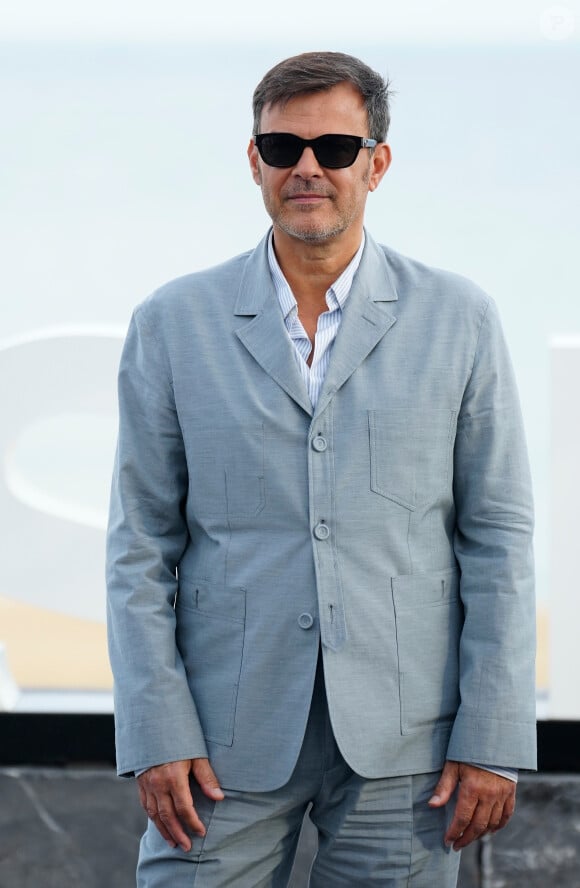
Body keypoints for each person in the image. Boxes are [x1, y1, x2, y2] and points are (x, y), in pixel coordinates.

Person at [106, 51, 536, 887]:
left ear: (376, 163)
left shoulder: (461, 319)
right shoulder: (172, 322)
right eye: (284, 149)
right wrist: (156, 730)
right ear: (254, 161)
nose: (308, 169)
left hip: (409, 748)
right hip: (217, 747)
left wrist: (492, 736)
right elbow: (139, 545)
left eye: (336, 149)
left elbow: (498, 539)